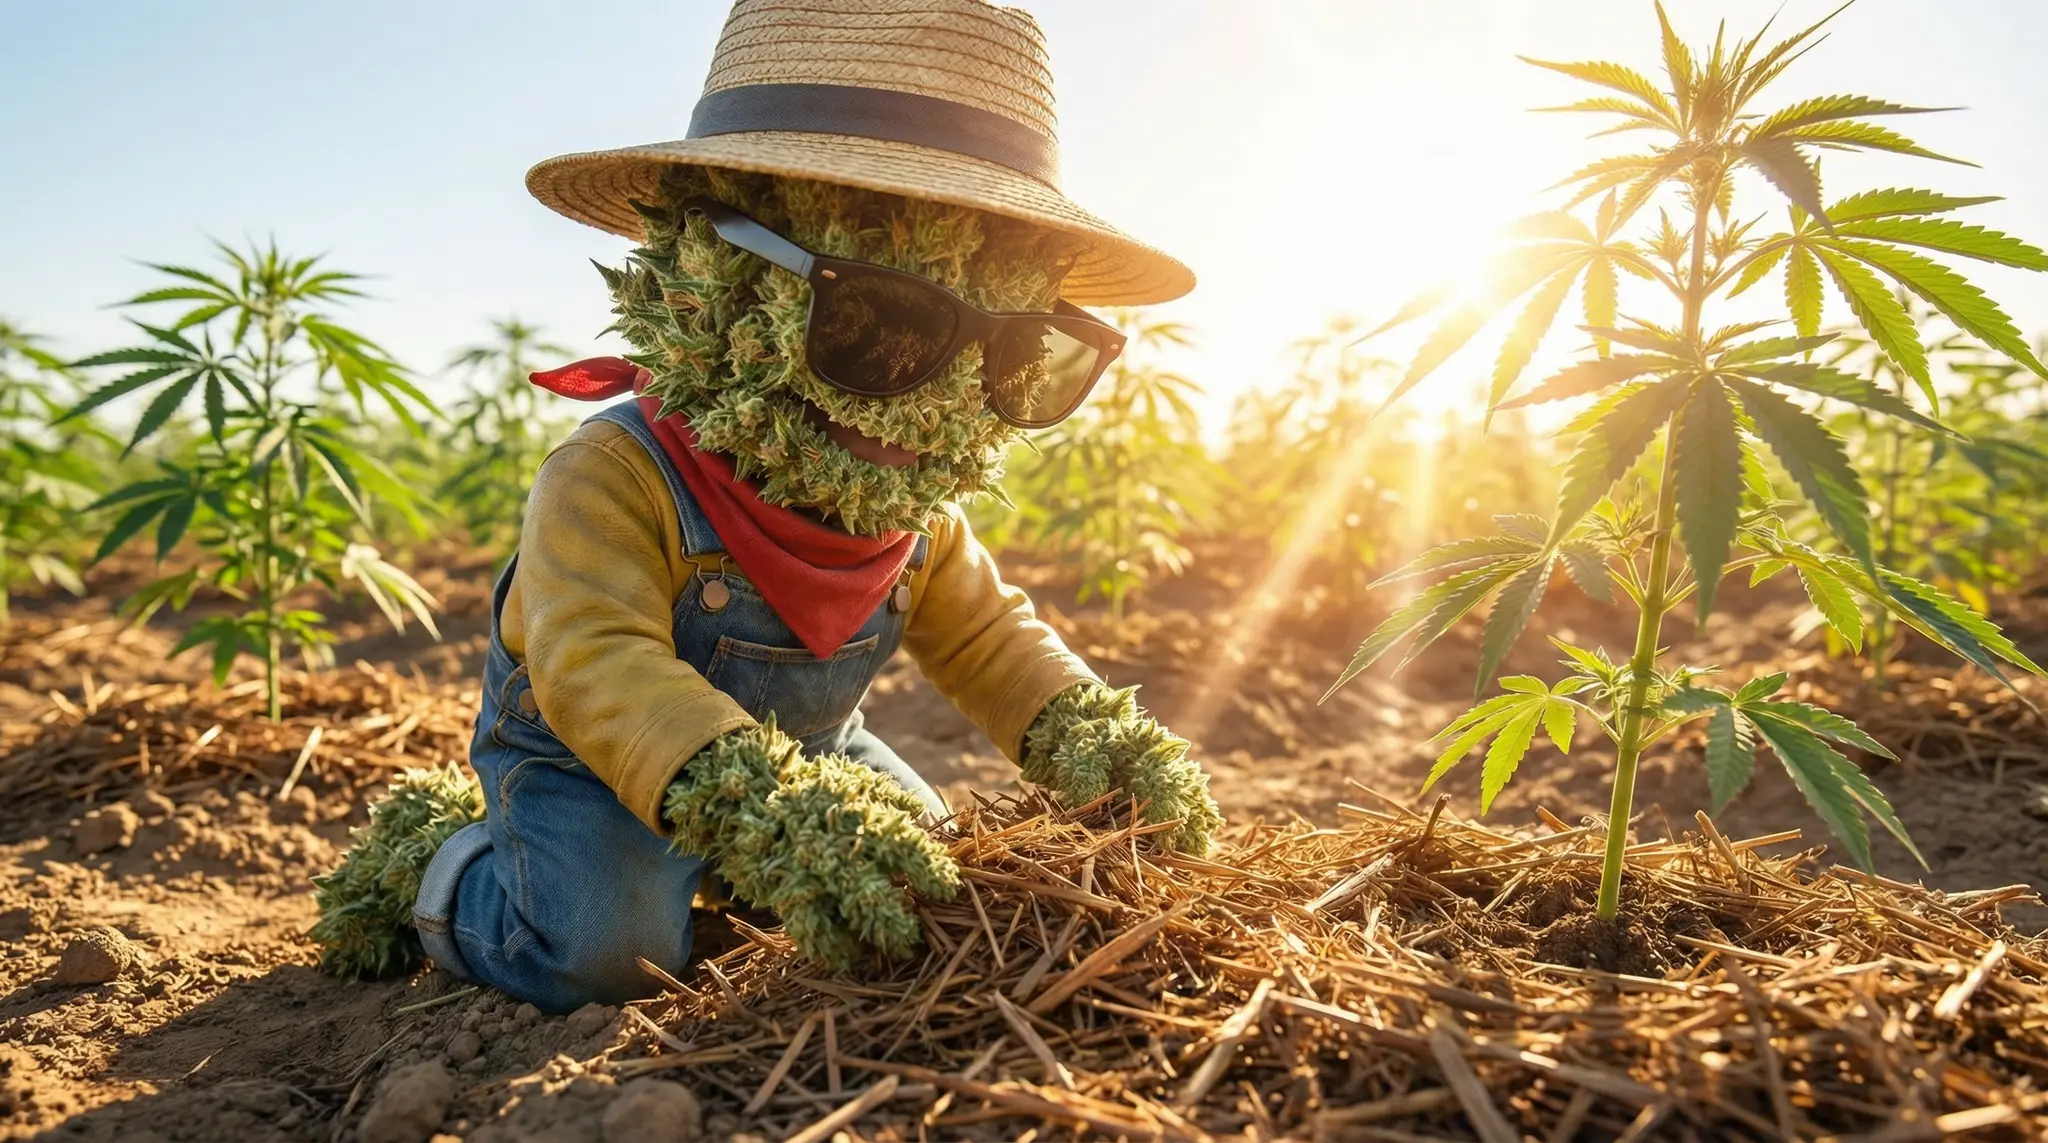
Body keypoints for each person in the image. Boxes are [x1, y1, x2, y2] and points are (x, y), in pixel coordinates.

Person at [311, 0, 1222, 1013]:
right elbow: (592, 665)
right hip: (591, 758)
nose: (940, 401)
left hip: (805, 754)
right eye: (879, 327)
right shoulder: (614, 473)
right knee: (608, 957)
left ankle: (726, 863)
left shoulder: (910, 516)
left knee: (933, 878)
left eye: (1016, 357)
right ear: (714, 278)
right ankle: (447, 865)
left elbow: (991, 642)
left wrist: (1094, 741)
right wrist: (777, 815)